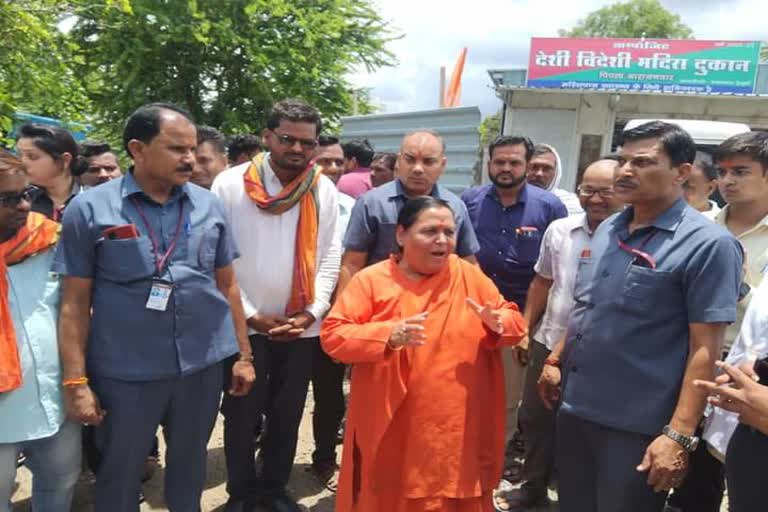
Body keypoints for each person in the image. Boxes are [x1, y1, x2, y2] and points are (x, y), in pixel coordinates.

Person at [54, 103, 255, 512]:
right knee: (121, 471)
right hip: (127, 373)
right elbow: (74, 303)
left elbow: (228, 284)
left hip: (200, 367)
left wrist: (243, 356)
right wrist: (76, 383)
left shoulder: (208, 204)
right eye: (176, 148)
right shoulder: (90, 209)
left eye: (193, 148)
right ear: (138, 149)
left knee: (189, 466)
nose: (190, 158)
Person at [550, 121, 742, 512]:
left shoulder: (709, 245)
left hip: (637, 428)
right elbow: (588, 309)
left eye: (642, 162)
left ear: (681, 172)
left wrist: (679, 434)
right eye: (622, 160)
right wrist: (555, 358)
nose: (625, 170)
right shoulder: (609, 229)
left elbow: (705, 347)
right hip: (576, 410)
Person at [321, 196, 528, 512]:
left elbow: (512, 322)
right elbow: (334, 336)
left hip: (456, 429)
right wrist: (387, 335)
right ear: (401, 235)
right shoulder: (373, 280)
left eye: (449, 231)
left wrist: (499, 322)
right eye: (430, 231)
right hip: (394, 428)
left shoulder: (467, 275)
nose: (442, 240)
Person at [212, 98, 340, 512]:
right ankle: (241, 494)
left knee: (288, 414)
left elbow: (329, 256)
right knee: (241, 414)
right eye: (288, 139)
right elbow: (219, 261)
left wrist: (312, 311)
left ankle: (273, 490)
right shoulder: (229, 185)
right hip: (243, 328)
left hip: (301, 328)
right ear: (268, 138)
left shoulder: (322, 187)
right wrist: (251, 315)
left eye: (308, 142)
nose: (298, 150)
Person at [498, 156, 624, 511]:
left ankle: (575, 496)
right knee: (535, 421)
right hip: (548, 341)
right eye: (588, 190)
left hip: (600, 352)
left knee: (586, 428)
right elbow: (542, 281)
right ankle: (533, 487)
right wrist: (525, 327)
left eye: (606, 191)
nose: (596, 198)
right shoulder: (560, 230)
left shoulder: (630, 238)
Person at [460, 134, 567, 489]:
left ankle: (494, 463)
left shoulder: (549, 206)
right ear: (489, 164)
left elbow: (553, 271)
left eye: (514, 162)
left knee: (507, 399)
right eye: (499, 162)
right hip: (470, 315)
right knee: (463, 391)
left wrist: (524, 327)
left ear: (526, 164)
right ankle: (461, 457)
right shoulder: (469, 201)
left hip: (521, 321)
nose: (506, 169)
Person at [682, 131, 768, 512]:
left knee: (743, 471)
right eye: (723, 171)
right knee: (694, 467)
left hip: (753, 372)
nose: (728, 180)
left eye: (742, 171)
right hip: (697, 357)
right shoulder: (699, 227)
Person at [0, 150, 80, 512]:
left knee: (58, 488)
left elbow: (73, 310)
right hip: (4, 410)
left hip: (55, 399)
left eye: (26, 193)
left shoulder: (48, 240)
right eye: (8, 198)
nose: (23, 206)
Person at [340, 130, 479, 292]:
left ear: (442, 165)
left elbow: (469, 262)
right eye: (410, 159)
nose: (417, 169)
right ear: (399, 161)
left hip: (437, 304)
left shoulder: (456, 207)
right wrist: (342, 314)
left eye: (428, 161)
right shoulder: (371, 204)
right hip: (382, 305)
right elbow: (352, 264)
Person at [309, 134, 352, 488]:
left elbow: (353, 265)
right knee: (280, 394)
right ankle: (271, 454)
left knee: (329, 396)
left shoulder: (354, 206)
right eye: (325, 161)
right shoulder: (281, 203)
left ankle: (324, 458)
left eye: (339, 161)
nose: (333, 168)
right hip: (290, 318)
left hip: (334, 319)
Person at [15, 123, 89, 221]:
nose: (22, 162)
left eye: (32, 156)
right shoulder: (18, 199)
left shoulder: (92, 199)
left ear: (65, 160)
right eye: (19, 155)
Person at [526, 143, 583, 216]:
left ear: (556, 173)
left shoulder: (570, 204)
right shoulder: (510, 199)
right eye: (534, 167)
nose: (539, 173)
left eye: (547, 168)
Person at [682, 152, 720, 220]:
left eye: (687, 187)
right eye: (674, 185)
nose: (677, 193)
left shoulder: (722, 225)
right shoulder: (660, 216)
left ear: (710, 188)